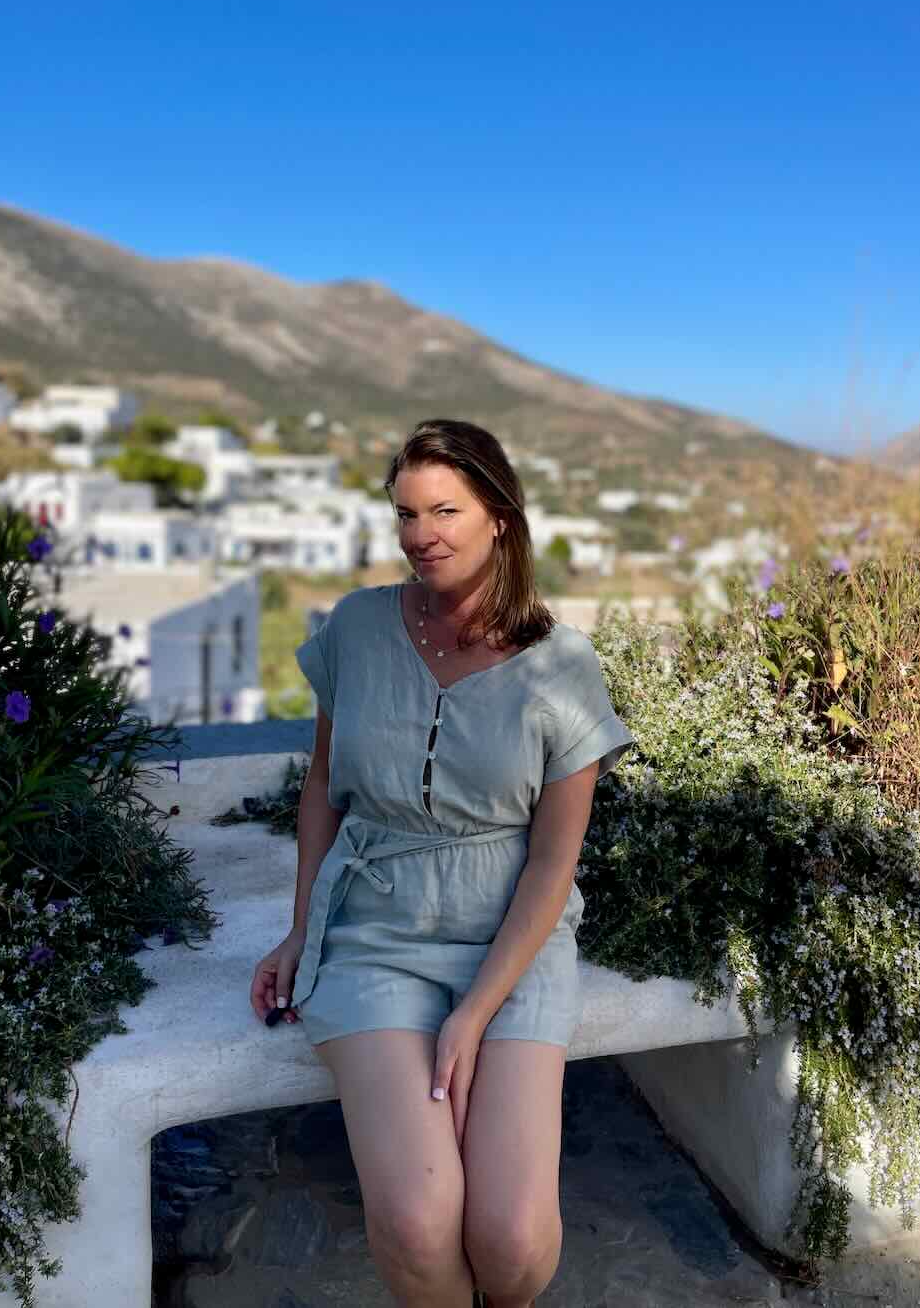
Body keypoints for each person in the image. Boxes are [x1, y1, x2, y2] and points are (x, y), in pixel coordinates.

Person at [249, 418, 635, 1308]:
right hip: (374, 930)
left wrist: (472, 1015)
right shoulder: (356, 627)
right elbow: (323, 787)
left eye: (445, 510)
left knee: (512, 1240)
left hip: (512, 943)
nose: (421, 535)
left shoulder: (562, 665)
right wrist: (302, 930)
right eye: (405, 514)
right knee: (419, 1222)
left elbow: (552, 865)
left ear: (500, 515)